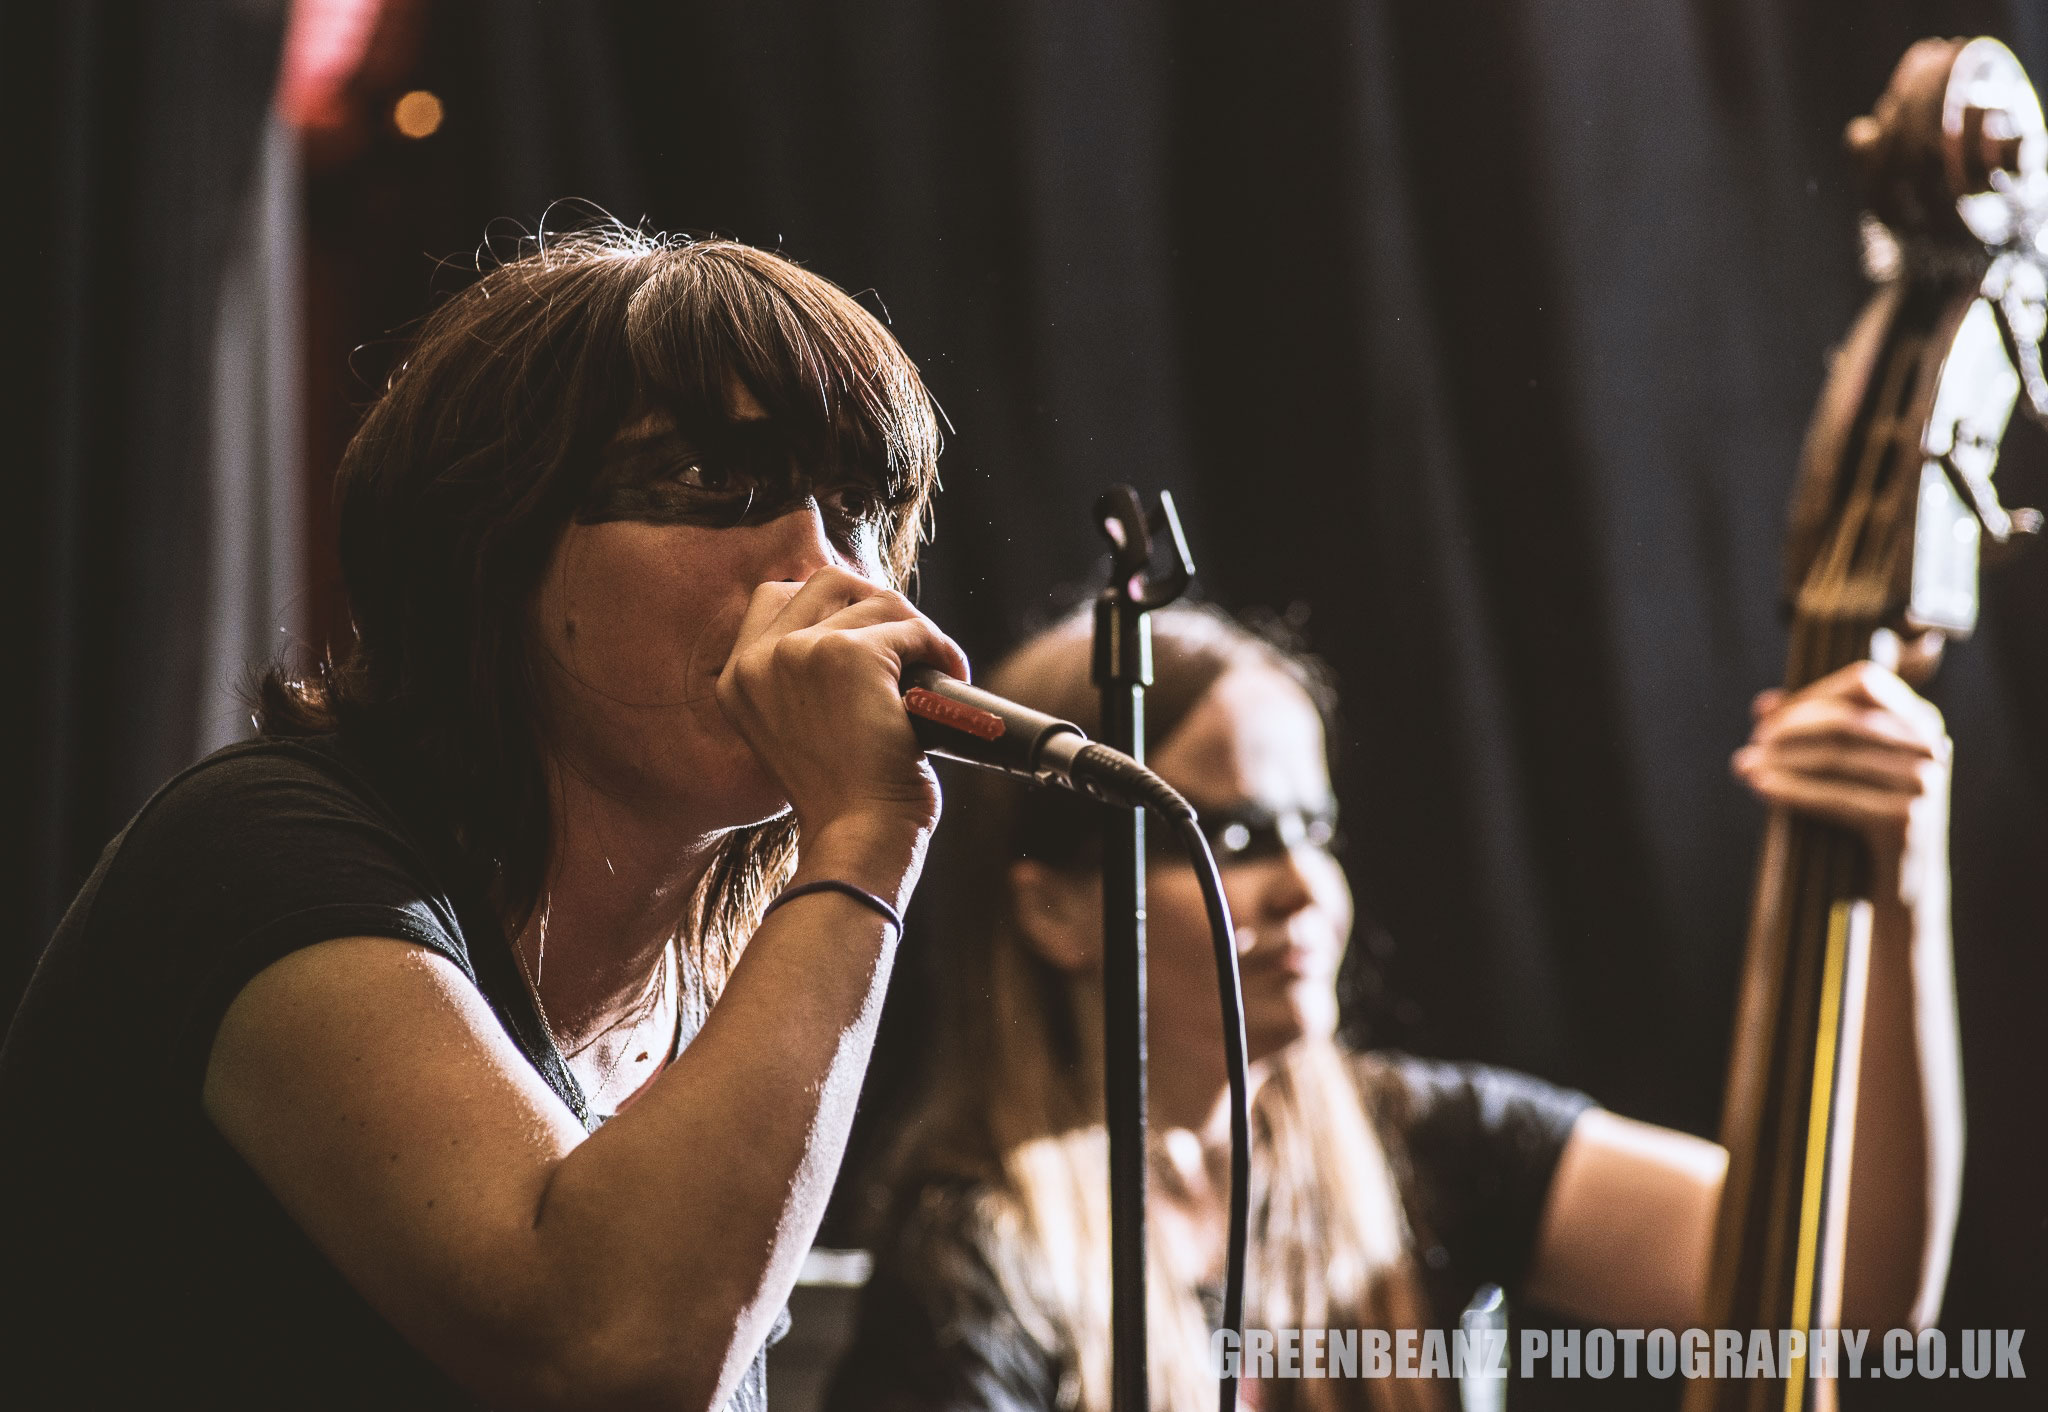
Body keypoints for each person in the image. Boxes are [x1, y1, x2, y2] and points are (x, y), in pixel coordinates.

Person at [0, 228, 971, 1408]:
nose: (828, 568)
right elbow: (606, 1346)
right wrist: (866, 838)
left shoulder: (713, 1005)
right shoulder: (260, 850)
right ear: (493, 541)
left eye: (859, 507)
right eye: (715, 484)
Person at [824, 603, 1963, 1412]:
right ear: (1056, 911)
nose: (1303, 884)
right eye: (1228, 839)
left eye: (1311, 828)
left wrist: (1898, 883)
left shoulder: (1424, 1140)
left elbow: (1837, 1289)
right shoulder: (974, 1253)